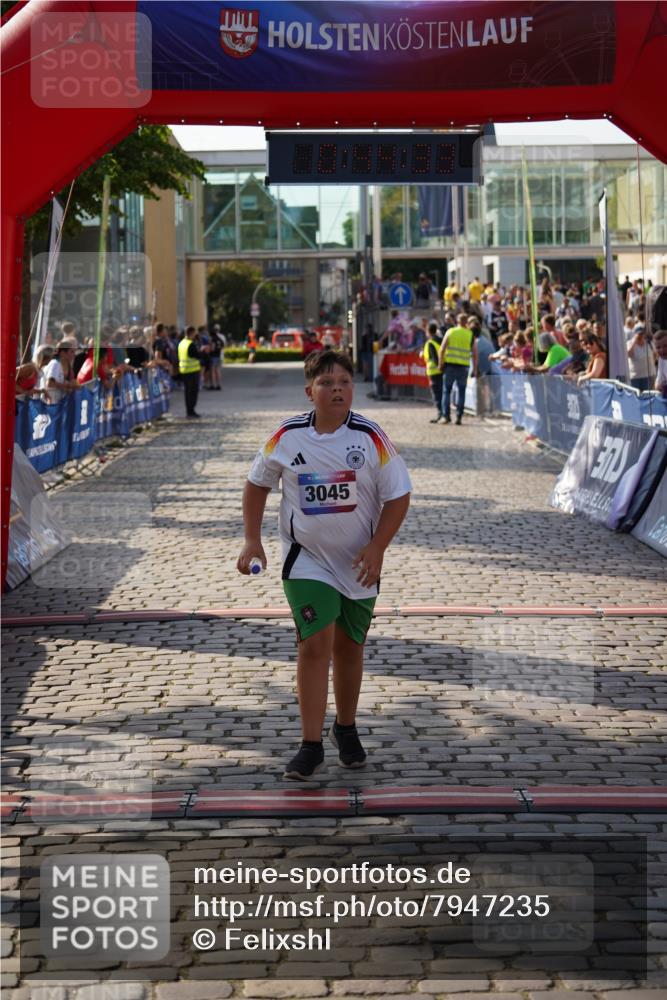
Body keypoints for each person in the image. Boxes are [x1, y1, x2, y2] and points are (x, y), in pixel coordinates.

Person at [237, 350, 411, 780]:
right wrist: (252, 540)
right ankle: (310, 744)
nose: (338, 389)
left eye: (345, 382)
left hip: (358, 562)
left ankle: (345, 728)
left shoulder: (371, 437)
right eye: (328, 383)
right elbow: (257, 483)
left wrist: (378, 547)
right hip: (305, 558)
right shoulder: (287, 435)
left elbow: (399, 495)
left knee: (350, 647)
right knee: (315, 644)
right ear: (309, 391)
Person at [438, 312, 477, 425]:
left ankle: (446, 416)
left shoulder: (450, 332)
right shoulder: (470, 335)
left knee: (446, 391)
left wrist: (441, 363)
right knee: (461, 392)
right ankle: (459, 417)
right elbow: (474, 353)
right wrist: (474, 369)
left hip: (450, 366)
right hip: (464, 367)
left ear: (457, 321)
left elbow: (442, 349)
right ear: (466, 323)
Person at [43, 339, 80, 403]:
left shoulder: (68, 366)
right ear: (63, 353)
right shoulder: (55, 364)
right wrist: (67, 386)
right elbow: (49, 384)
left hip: (59, 404)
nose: (74, 354)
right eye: (71, 351)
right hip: (50, 403)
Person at [178, 325, 202, 418]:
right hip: (192, 371)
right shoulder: (190, 344)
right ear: (192, 333)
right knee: (192, 392)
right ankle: (191, 411)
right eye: (195, 332)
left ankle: (189, 410)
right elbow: (195, 355)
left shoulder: (182, 343)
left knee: (187, 392)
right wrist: (203, 352)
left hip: (184, 370)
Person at [423, 321, 444, 423]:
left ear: (428, 331)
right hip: (442, 370)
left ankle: (440, 414)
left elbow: (434, 358)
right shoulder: (441, 340)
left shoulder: (430, 342)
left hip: (434, 372)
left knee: (437, 394)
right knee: (442, 393)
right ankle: (444, 414)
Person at [627, 323, 656, 391]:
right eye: (639, 334)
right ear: (634, 335)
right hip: (635, 377)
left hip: (649, 376)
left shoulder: (649, 343)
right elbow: (629, 354)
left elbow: (655, 354)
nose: (641, 336)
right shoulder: (629, 343)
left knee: (648, 397)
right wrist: (634, 342)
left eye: (642, 334)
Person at [653, 330, 667, 397]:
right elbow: (658, 383)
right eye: (658, 347)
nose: (662, 350)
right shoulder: (661, 359)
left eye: (665, 346)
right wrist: (659, 386)